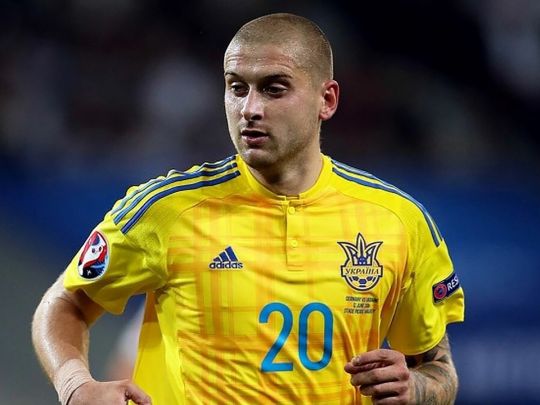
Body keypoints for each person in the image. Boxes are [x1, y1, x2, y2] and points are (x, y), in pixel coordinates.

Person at [32, 12, 465, 405]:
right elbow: (64, 303)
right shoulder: (167, 209)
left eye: (274, 89)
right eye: (237, 88)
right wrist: (76, 385)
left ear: (327, 100)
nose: (250, 110)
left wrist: (416, 389)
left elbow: (437, 367)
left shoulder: (398, 220)